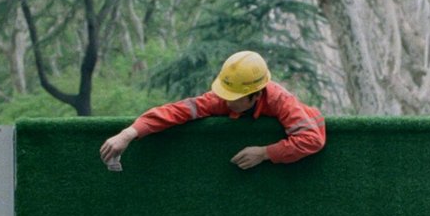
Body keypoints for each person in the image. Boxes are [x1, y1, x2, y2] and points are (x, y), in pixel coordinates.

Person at [99, 50, 326, 171]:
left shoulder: (281, 100)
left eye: (234, 98)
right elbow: (175, 111)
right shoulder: (219, 98)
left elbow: (312, 139)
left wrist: (265, 153)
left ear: (256, 94)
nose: (226, 102)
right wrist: (128, 133)